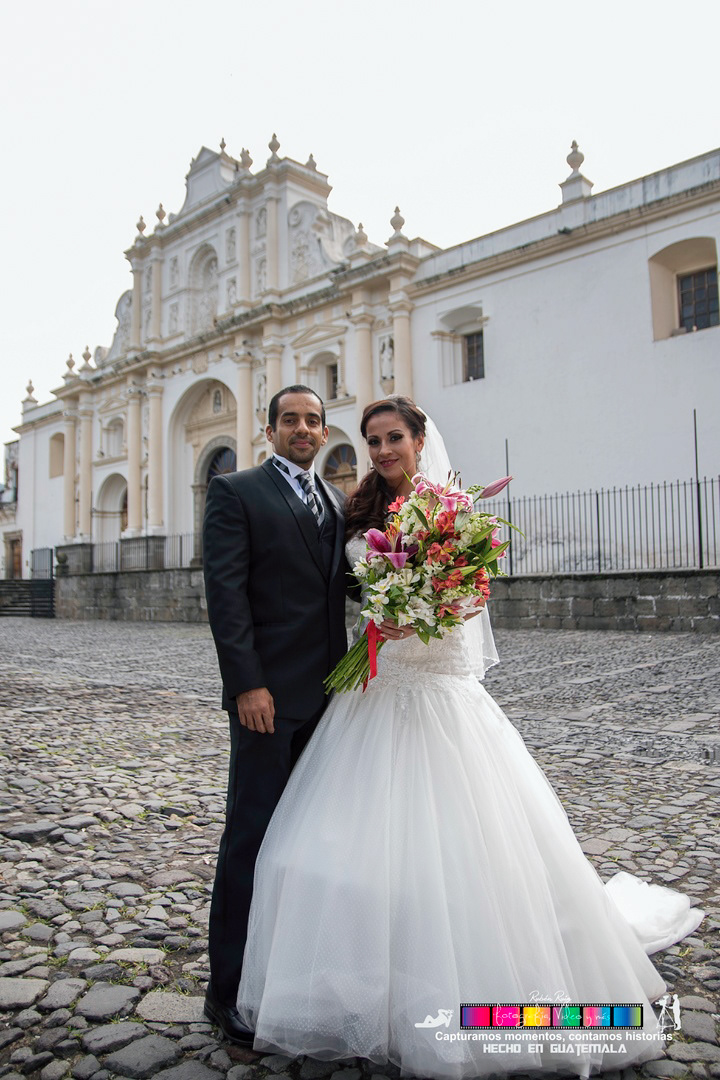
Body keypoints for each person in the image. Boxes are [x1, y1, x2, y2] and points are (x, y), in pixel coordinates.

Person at [235, 396, 705, 1079]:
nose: (383, 449)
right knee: (340, 844)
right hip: (372, 686)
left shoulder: (452, 508)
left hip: (434, 684)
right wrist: (384, 616)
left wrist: (423, 609)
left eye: (394, 437)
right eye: (373, 440)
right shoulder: (358, 508)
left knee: (461, 847)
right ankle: (359, 974)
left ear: (420, 438)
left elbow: (469, 599)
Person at [202, 385, 353, 1046]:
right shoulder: (238, 492)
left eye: (312, 420)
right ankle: (227, 991)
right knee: (251, 841)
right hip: (267, 703)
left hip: (329, 700)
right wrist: (247, 686)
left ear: (323, 433)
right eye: (290, 419)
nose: (302, 428)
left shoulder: (337, 502)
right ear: (269, 431)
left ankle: (288, 973)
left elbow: (346, 586)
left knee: (311, 843)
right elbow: (225, 595)